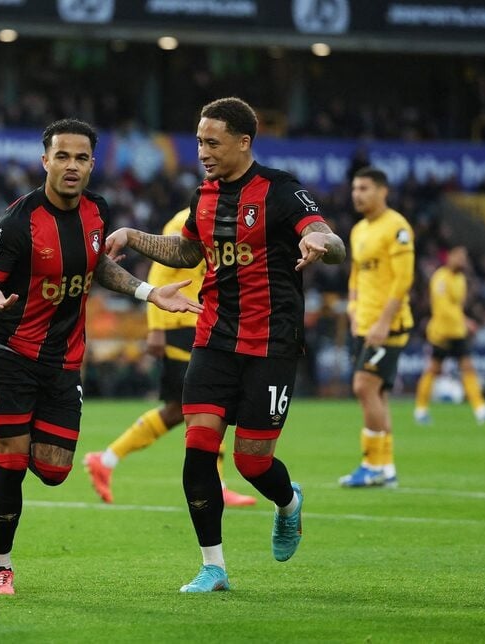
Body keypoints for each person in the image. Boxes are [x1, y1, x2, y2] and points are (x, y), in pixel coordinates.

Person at [105, 97, 346, 592]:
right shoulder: (205, 196)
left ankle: (288, 504)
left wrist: (322, 244)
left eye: (212, 142)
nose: (203, 151)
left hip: (271, 342)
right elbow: (186, 249)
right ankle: (213, 566)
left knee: (252, 462)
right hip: (213, 337)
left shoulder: (281, 191)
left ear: (244, 142)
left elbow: (331, 240)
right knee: (198, 450)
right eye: (198, 141)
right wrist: (131, 235)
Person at [0, 118, 202, 596]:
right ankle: (0, 566)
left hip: (64, 358)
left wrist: (149, 292)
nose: (71, 166)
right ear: (45, 161)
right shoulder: (17, 221)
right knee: (14, 464)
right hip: (10, 351)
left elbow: (100, 269)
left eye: (81, 158)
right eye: (62, 156)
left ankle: (4, 437)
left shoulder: (98, 212)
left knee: (54, 471)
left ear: (93, 164)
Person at [82, 208, 256, 507]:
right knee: (210, 404)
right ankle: (217, 484)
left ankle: (106, 459)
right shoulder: (186, 220)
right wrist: (156, 328)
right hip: (181, 324)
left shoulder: (225, 219)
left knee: (179, 410)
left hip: (203, 322)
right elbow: (160, 271)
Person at [339, 167, 415, 488]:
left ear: (383, 191)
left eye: (365, 188)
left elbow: (403, 279)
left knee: (363, 387)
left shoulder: (396, 227)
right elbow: (357, 274)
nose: (358, 194)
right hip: (364, 323)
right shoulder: (358, 230)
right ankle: (386, 468)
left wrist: (384, 321)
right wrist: (353, 308)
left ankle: (372, 464)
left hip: (388, 325)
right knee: (377, 393)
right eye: (355, 188)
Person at [415, 246, 485, 424]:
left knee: (468, 368)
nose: (462, 260)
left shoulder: (460, 279)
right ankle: (420, 410)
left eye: (464, 257)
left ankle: (481, 411)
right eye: (459, 256)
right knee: (433, 370)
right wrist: (465, 321)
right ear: (449, 257)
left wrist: (462, 322)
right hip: (441, 332)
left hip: (457, 332)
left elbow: (457, 306)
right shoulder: (440, 278)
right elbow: (443, 308)